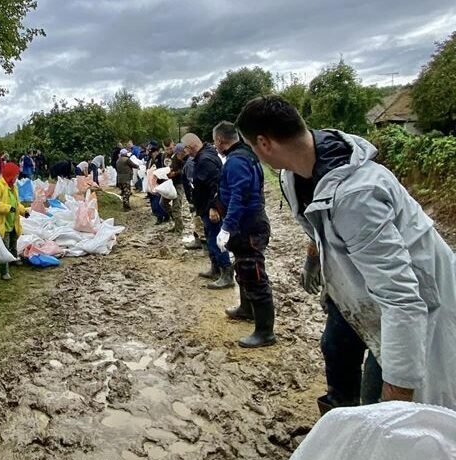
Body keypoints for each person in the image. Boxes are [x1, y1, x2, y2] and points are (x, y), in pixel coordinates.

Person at [237, 95, 456, 407]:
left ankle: (374, 429)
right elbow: (317, 225)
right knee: (335, 347)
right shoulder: (293, 175)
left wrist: (397, 402)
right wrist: (314, 260)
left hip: (411, 300)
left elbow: (401, 299)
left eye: (252, 146)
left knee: (380, 386)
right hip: (359, 286)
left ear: (264, 143)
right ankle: (339, 414)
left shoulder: (358, 196)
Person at [211, 121, 275, 347]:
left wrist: (227, 226)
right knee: (243, 268)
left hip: (248, 225)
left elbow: (240, 196)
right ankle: (246, 309)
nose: (215, 146)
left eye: (215, 142)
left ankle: (265, 332)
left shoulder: (236, 161)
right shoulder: (247, 155)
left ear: (220, 140)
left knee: (254, 273)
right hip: (249, 222)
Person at [181, 133, 227, 281]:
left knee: (216, 240)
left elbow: (216, 185)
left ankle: (226, 273)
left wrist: (214, 207)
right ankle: (215, 269)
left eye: (186, 148)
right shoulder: (202, 157)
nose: (186, 152)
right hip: (204, 207)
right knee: (210, 238)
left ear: (193, 145)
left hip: (211, 208)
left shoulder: (205, 160)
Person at [0, 162, 28, 280]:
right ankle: (4, 271)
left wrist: (24, 211)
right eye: (15, 175)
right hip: (2, 222)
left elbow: (16, 203)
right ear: (10, 175)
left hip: (13, 221)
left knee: (13, 243)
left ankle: (13, 260)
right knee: (4, 247)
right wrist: (9, 208)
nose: (17, 178)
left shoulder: (13, 187)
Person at [162, 142, 185, 233]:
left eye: (171, 148)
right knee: (163, 203)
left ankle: (179, 228)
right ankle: (177, 222)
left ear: (173, 146)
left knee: (176, 206)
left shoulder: (179, 155)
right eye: (167, 149)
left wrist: (175, 173)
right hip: (169, 183)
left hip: (179, 183)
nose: (169, 150)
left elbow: (185, 168)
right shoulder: (164, 156)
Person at [146, 143, 169, 225]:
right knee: (153, 200)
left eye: (156, 152)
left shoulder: (160, 159)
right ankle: (164, 215)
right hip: (151, 183)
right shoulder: (149, 160)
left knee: (157, 201)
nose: (155, 153)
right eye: (153, 152)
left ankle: (160, 216)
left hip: (158, 182)